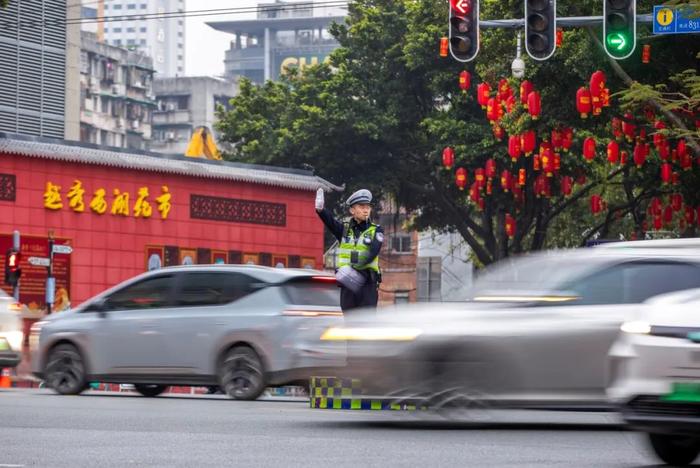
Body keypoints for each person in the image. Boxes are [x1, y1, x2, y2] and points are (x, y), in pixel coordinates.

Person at [315, 188, 384, 312]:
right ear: (352, 210)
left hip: (368, 285)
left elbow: (373, 252)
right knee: (349, 322)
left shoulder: (376, 230)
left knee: (366, 324)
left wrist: (355, 268)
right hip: (348, 285)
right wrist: (321, 210)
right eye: (361, 206)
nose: (366, 210)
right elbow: (331, 222)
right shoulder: (344, 230)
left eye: (368, 207)